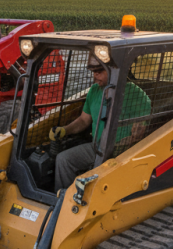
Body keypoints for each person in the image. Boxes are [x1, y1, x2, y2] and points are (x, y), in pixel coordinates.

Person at [54, 57, 151, 191]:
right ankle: (62, 198)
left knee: (95, 173)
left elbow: (138, 135)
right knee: (63, 160)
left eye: (99, 71)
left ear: (115, 70)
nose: (95, 75)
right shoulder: (94, 91)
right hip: (96, 147)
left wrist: (120, 146)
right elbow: (83, 120)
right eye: (93, 71)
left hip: (120, 153)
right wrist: (65, 130)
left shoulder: (138, 96)